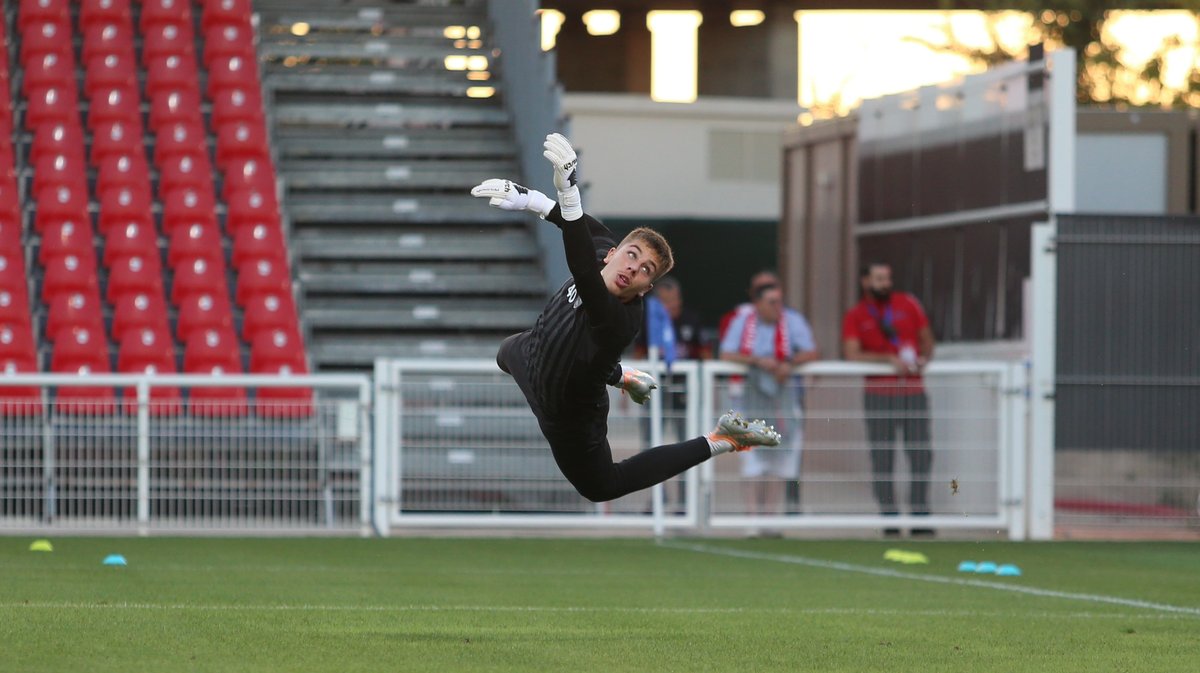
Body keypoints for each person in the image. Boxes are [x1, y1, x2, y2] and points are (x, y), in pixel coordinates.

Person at [472, 132, 781, 503]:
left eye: (647, 270)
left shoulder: (622, 318)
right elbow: (580, 229)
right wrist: (532, 200)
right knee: (505, 351)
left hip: (569, 413)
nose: (634, 268)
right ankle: (620, 375)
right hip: (533, 354)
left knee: (603, 487)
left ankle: (721, 439)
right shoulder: (605, 249)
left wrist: (567, 193)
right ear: (613, 252)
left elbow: (583, 270)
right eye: (632, 256)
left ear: (647, 288)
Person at [842, 261, 936, 536]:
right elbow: (852, 353)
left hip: (913, 392)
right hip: (879, 395)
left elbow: (927, 339)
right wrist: (886, 359)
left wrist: (923, 359)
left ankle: (920, 515)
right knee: (883, 458)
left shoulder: (908, 304)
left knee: (921, 455)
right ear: (866, 281)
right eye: (879, 278)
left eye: (888, 277)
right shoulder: (856, 315)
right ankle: (890, 518)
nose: (885, 283)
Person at [719, 283, 818, 524]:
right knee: (750, 457)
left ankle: (770, 518)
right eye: (772, 302)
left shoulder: (791, 321)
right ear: (758, 303)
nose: (777, 307)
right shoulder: (742, 321)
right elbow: (726, 354)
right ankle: (753, 518)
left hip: (782, 401)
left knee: (780, 458)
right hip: (748, 398)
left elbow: (811, 352)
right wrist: (757, 361)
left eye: (779, 301)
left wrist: (789, 363)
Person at [633, 276, 710, 511]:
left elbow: (704, 354)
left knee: (686, 445)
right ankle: (657, 496)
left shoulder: (691, 320)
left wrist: (704, 386)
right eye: (666, 302)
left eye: (675, 300)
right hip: (654, 392)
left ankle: (686, 502)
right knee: (650, 443)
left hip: (684, 393)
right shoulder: (649, 322)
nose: (672, 306)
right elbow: (638, 354)